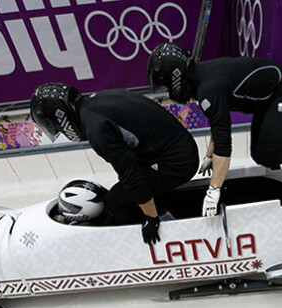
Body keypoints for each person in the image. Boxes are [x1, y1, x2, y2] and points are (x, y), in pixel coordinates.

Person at [148, 42, 282, 217]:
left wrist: (213, 189)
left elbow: (224, 142)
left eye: (167, 86)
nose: (169, 93)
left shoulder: (208, 88)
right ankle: (275, 175)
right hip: (267, 100)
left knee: (268, 154)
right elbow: (218, 123)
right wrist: (209, 155)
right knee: (260, 154)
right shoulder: (202, 81)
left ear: (175, 78)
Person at [30, 84, 199, 245]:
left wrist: (151, 219)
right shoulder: (96, 101)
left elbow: (130, 175)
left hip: (178, 162)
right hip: (178, 147)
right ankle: (165, 215)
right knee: (133, 192)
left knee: (117, 200)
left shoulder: (96, 129)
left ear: (60, 116)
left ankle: (137, 244)